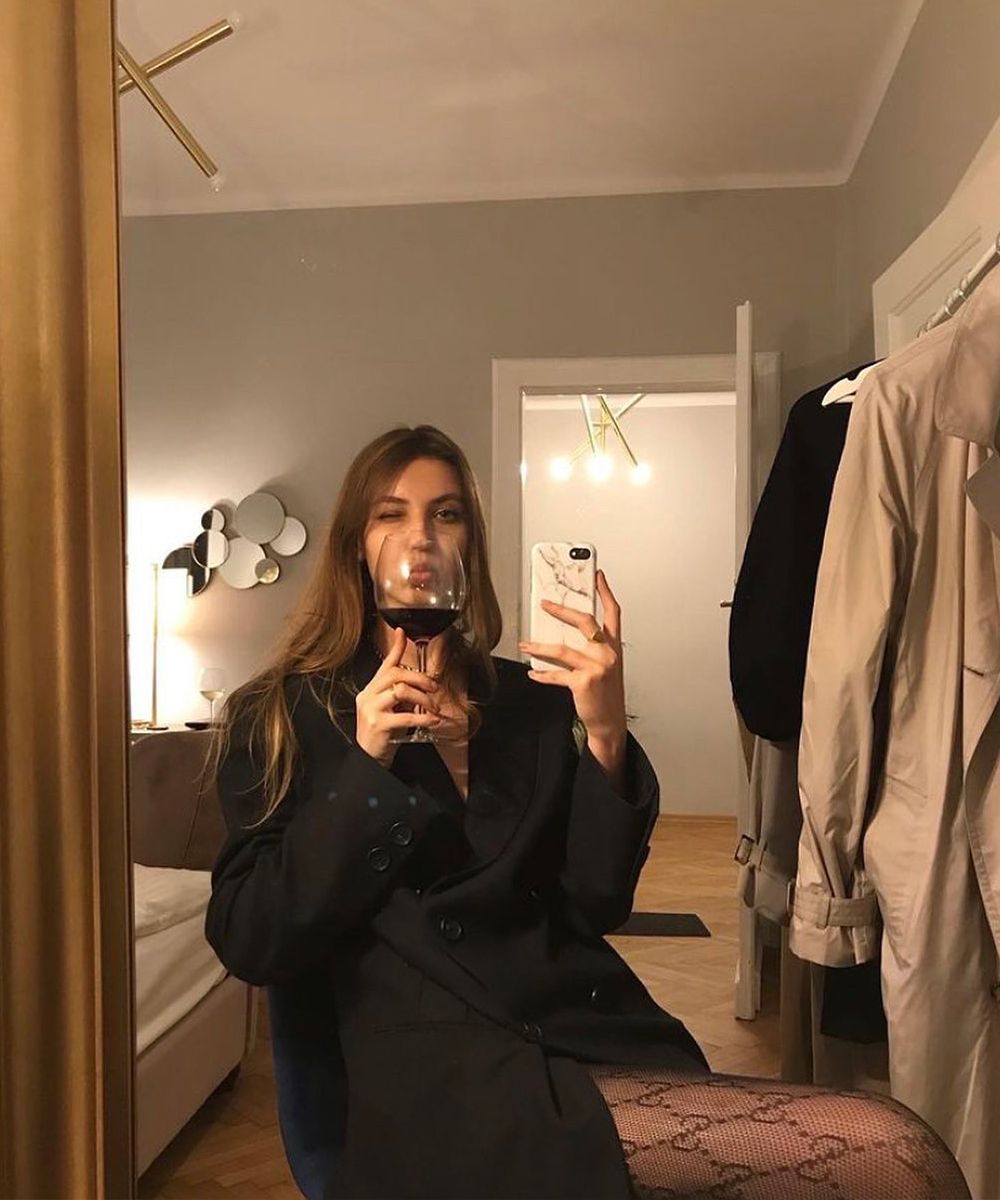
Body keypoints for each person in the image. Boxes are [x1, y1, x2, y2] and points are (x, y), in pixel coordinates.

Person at [205, 425, 969, 1200]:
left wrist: (604, 733)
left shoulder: (531, 703)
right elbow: (252, 937)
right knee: (895, 1154)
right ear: (354, 548)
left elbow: (596, 902)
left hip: (582, 1035)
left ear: (471, 542)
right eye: (390, 515)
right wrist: (366, 767)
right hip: (437, 1088)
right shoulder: (283, 714)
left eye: (446, 514)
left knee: (892, 1154)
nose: (421, 538)